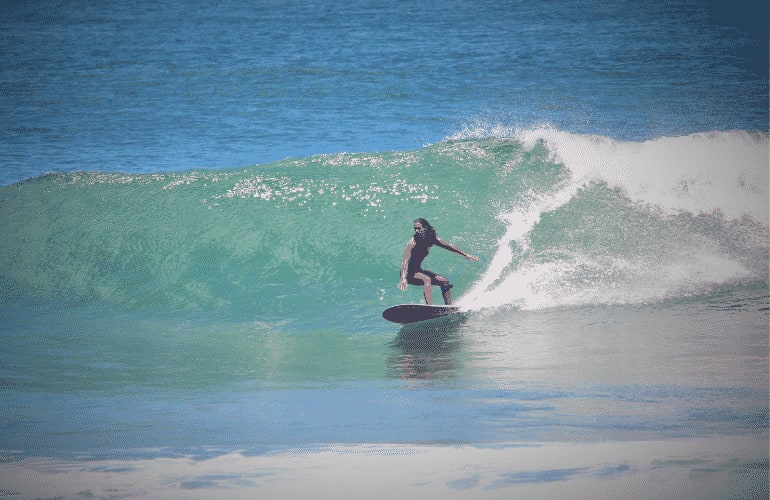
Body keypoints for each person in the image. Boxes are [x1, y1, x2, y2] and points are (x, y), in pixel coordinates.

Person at [398, 218, 478, 305]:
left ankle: (449, 307)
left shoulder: (431, 238)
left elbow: (448, 246)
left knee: (444, 281)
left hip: (418, 271)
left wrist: (465, 254)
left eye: (419, 228)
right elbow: (405, 261)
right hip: (408, 273)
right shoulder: (412, 243)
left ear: (425, 228)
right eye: (415, 229)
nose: (416, 231)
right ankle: (430, 307)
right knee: (426, 279)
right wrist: (403, 278)